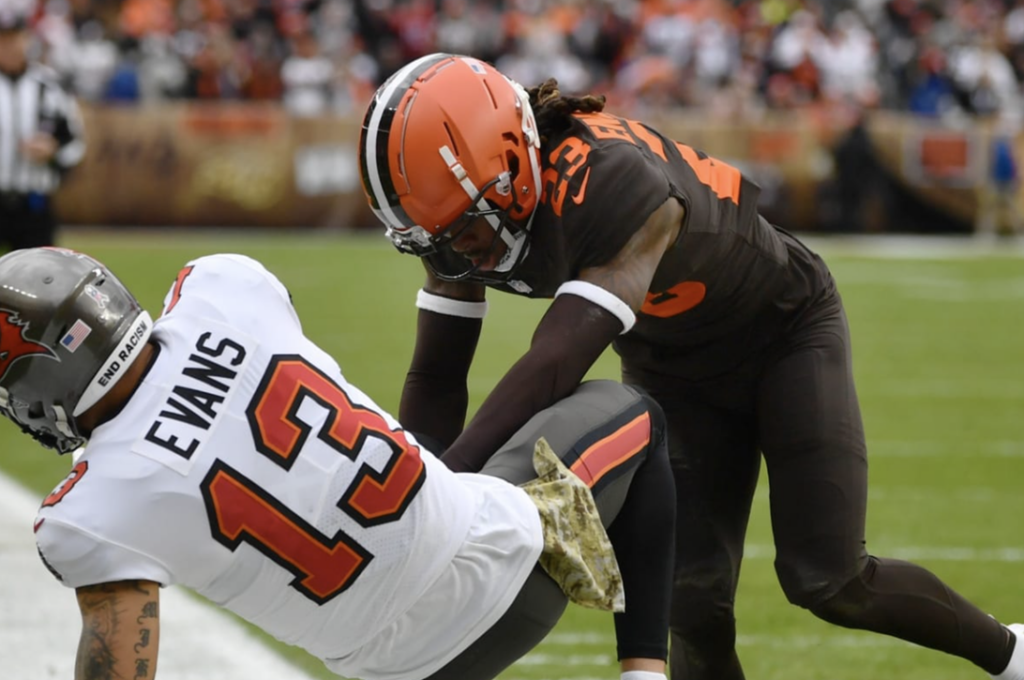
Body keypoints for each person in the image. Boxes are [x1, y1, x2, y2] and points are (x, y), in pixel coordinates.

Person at [356, 53, 1024, 680]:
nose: (461, 258)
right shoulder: (457, 214)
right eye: (437, 243)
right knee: (691, 601)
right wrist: (416, 496)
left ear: (513, 161)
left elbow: (557, 361)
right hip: (672, 368)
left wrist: (453, 487)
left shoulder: (614, 182)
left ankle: (1014, 654)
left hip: (784, 332)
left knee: (829, 579)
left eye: (466, 233)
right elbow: (438, 377)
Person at [0, 246, 675, 680]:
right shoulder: (222, 288)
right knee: (632, 408)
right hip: (510, 575)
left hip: (405, 671)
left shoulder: (87, 516)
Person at [0, 2, 85, 252]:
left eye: (14, 38)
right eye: (2, 40)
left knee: (38, 280)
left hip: (34, 202)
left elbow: (76, 144)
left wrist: (52, 151)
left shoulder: (50, 86)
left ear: (27, 39)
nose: (8, 46)